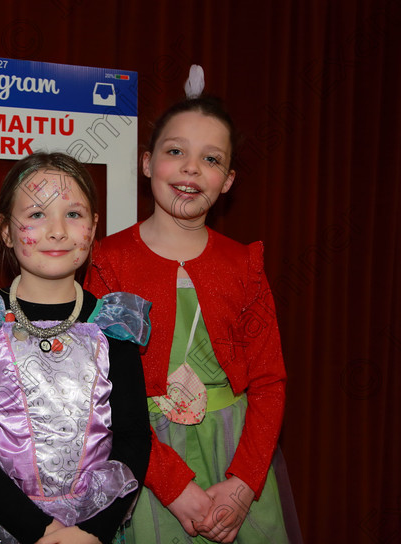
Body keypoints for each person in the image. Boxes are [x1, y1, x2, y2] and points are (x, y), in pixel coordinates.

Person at [85, 67, 301, 543]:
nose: (190, 168)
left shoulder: (244, 263)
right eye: (175, 151)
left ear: (227, 181)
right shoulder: (109, 262)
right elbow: (101, 389)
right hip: (148, 458)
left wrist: (243, 484)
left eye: (210, 159)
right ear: (147, 163)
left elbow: (269, 380)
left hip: (236, 455)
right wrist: (172, 484)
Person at [0, 152, 152, 544]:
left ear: (93, 226)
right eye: (37, 215)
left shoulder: (113, 323)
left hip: (92, 532)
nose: (57, 231)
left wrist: (93, 531)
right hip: (0, 528)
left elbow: (134, 436)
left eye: (73, 214)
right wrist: (42, 531)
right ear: (6, 231)